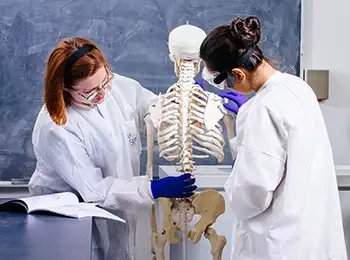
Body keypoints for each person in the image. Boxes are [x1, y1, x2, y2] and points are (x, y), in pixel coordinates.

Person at [28, 37, 197, 260]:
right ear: (65, 88)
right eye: (89, 92)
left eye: (104, 81)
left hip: (118, 213)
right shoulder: (57, 127)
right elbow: (95, 191)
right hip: (70, 223)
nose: (102, 94)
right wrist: (152, 189)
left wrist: (178, 103)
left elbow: (148, 105)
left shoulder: (114, 86)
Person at [200, 16, 347, 259]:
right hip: (309, 236)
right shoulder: (297, 87)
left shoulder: (261, 108)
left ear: (238, 73)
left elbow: (253, 194)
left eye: (224, 81)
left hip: (276, 245)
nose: (227, 88)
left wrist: (237, 174)